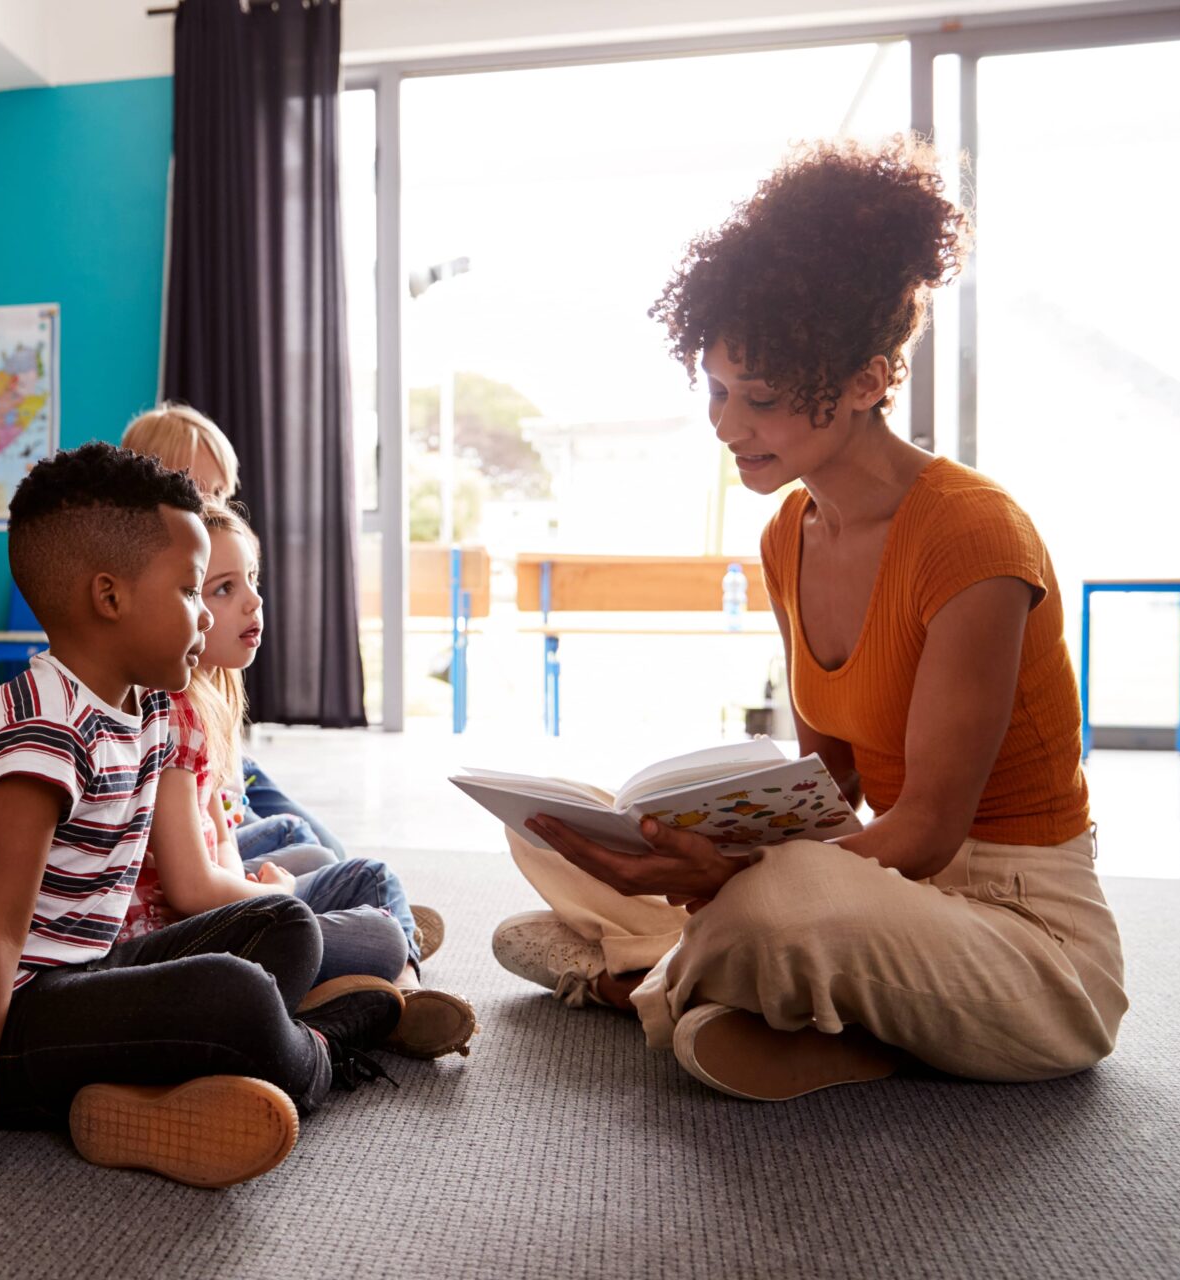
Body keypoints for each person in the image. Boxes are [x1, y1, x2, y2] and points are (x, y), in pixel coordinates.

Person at [492, 136, 1125, 1101]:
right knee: (545, 829)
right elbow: (829, 788)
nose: (725, 424)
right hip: (887, 904)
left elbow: (923, 831)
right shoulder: (791, 531)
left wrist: (733, 878)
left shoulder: (975, 538)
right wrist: (690, 850)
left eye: (764, 399)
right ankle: (763, 991)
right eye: (715, 387)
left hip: (1025, 937)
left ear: (869, 382)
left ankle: (651, 978)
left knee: (781, 902)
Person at [0, 442, 402, 1198]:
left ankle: (145, 1100)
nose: (205, 615)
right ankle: (325, 1045)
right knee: (240, 998)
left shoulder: (149, 705)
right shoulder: (44, 730)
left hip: (76, 982)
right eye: (192, 590)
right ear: (110, 597)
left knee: (286, 926)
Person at [122, 501, 477, 1059]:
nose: (253, 601)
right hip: (193, 936)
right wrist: (276, 895)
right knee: (377, 917)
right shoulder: (173, 713)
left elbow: (216, 845)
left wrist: (262, 884)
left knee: (325, 862)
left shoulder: (201, 704)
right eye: (221, 588)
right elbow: (193, 890)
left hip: (216, 913)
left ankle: (385, 977)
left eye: (252, 580)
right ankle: (399, 990)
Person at [121, 402, 347, 855]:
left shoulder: (219, 598)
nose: (212, 509)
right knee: (310, 849)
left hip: (227, 773)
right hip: (188, 792)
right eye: (195, 492)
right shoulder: (154, 618)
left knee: (327, 848)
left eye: (219, 494)